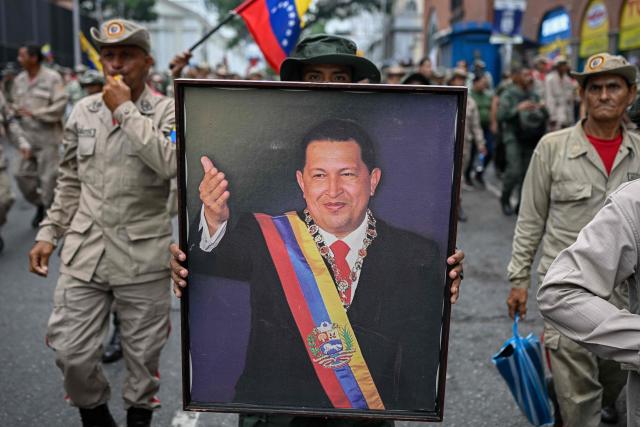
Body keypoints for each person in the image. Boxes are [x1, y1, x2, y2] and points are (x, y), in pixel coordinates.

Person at [170, 33, 464, 427]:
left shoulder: (416, 253)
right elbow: (209, 259)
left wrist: (444, 281)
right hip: (275, 414)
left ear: (372, 180)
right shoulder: (263, 236)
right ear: (301, 181)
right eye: (319, 176)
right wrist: (212, 220)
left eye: (338, 78)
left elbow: (421, 335)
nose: (333, 191)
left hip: (364, 417)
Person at [28, 19, 176, 427]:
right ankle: (94, 414)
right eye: (107, 55)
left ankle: (138, 416)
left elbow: (170, 163)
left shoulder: (167, 110)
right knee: (70, 352)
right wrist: (48, 233)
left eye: (126, 55)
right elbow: (70, 180)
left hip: (142, 257)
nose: (115, 65)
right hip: (85, 251)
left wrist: (125, 110)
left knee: (142, 359)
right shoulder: (83, 111)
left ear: (146, 61)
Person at [506, 52, 639, 427]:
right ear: (581, 94)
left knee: (618, 389)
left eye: (614, 87)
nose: (603, 95)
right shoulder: (552, 147)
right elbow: (530, 218)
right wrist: (518, 279)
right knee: (579, 404)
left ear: (631, 94)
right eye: (594, 87)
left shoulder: (639, 149)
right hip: (568, 296)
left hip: (624, 306)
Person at [537, 179, 640, 427]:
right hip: (585, 291)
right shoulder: (634, 201)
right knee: (579, 396)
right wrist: (518, 276)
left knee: (610, 382)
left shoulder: (633, 149)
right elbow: (531, 216)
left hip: (617, 301)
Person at [12, 44, 68, 227]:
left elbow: (60, 106)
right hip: (26, 139)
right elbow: (14, 108)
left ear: (34, 58)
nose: (19, 59)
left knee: (49, 179)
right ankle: (40, 203)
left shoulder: (52, 78)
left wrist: (36, 113)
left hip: (48, 139)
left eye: (22, 56)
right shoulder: (19, 80)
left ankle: (47, 213)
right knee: (21, 176)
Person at [498, 64, 548, 215]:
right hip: (513, 135)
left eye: (529, 74)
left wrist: (540, 107)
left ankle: (521, 204)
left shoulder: (533, 94)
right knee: (514, 170)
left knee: (527, 174)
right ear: (516, 77)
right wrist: (518, 108)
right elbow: (501, 116)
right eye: (525, 74)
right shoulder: (508, 94)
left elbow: (545, 114)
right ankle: (505, 198)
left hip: (530, 136)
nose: (529, 77)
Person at [544, 55, 576, 131]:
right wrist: (552, 116)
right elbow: (549, 97)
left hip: (567, 113)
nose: (563, 67)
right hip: (555, 112)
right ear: (557, 66)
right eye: (561, 65)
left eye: (564, 64)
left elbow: (570, 100)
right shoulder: (550, 79)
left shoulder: (568, 80)